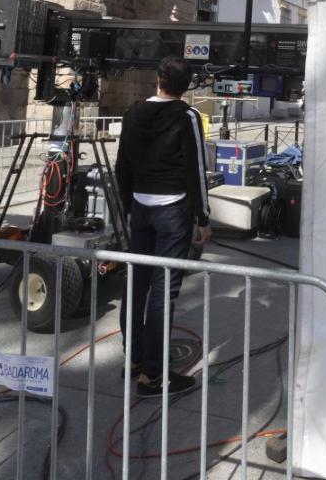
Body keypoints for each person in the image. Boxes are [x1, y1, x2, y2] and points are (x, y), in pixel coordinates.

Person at [115, 56, 212, 397]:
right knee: (163, 291)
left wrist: (128, 206)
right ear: (186, 86)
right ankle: (154, 376)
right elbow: (197, 169)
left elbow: (122, 163)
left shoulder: (134, 112)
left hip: (141, 207)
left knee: (136, 282)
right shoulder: (187, 116)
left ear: (158, 79)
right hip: (173, 210)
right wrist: (203, 217)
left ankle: (136, 359)